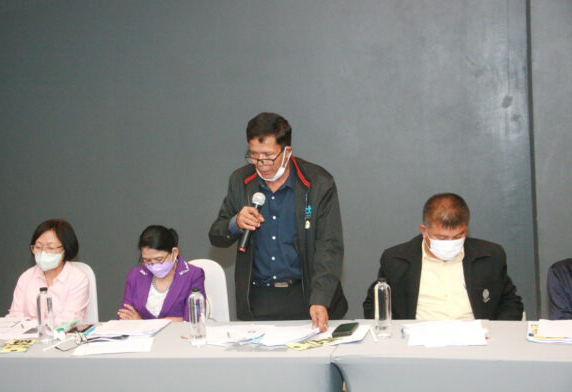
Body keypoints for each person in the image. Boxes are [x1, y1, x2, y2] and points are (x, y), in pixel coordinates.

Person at [209, 112, 347, 331]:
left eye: (268, 156)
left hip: (306, 296)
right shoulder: (241, 181)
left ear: (287, 152)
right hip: (257, 299)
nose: (261, 164)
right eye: (254, 156)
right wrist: (236, 223)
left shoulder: (318, 182)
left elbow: (329, 245)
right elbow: (217, 235)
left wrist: (320, 298)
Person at [363, 193, 523, 320]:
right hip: (417, 342)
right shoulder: (396, 260)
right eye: (442, 238)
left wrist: (494, 333)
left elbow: (510, 302)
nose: (450, 243)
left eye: (458, 236)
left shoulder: (490, 255)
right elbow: (374, 304)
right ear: (424, 231)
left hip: (476, 340)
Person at [7, 219, 89, 326]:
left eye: (50, 247)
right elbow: (15, 316)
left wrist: (31, 324)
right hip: (27, 335)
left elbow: (68, 321)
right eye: (38, 247)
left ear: (65, 249)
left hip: (62, 334)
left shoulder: (77, 279)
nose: (43, 253)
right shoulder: (26, 277)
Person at [118, 225, 205, 321]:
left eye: (159, 259)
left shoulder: (193, 275)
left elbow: (193, 319)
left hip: (177, 331)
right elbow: (125, 315)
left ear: (174, 252)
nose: (153, 265)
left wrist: (142, 323)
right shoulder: (136, 275)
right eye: (147, 260)